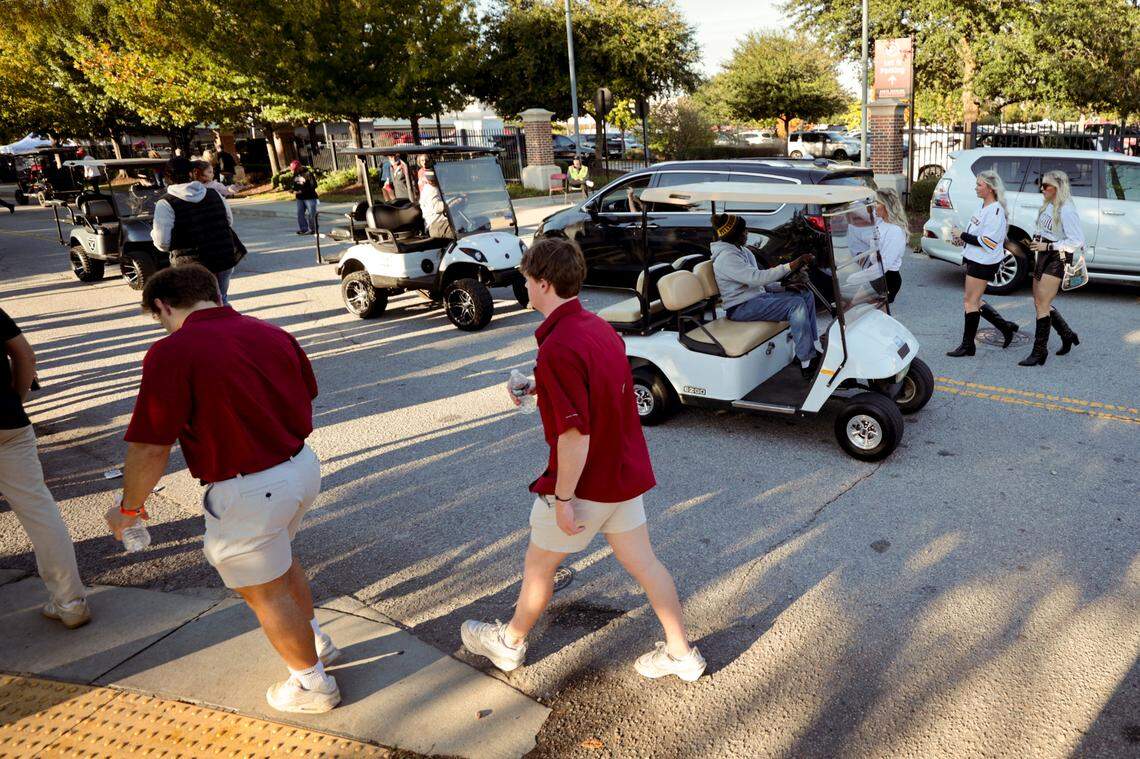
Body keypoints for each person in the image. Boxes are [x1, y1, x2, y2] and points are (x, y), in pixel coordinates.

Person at [460, 238, 706, 683]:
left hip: (584, 485)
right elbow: (597, 389)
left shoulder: (556, 347)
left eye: (528, 281)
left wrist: (563, 496)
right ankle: (680, 653)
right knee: (647, 566)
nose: (525, 287)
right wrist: (540, 385)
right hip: (623, 475)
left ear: (544, 284)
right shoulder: (600, 328)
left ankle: (509, 643)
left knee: (539, 566)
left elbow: (575, 435)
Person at [106, 265, 339, 713]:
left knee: (263, 589)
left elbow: (151, 447)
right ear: (213, 291)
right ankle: (315, 643)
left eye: (159, 318)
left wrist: (130, 508)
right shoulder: (271, 332)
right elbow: (305, 393)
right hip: (300, 467)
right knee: (280, 562)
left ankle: (311, 683)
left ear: (162, 305)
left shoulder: (172, 352)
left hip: (249, 487)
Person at [0, 307, 89, 628]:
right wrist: (16, 400)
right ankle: (71, 601)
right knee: (39, 510)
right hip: (8, 422)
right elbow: (25, 356)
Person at [709, 214, 819, 378]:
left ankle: (811, 347)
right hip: (740, 308)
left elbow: (760, 284)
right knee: (795, 305)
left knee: (805, 294)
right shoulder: (726, 258)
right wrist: (791, 265)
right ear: (735, 234)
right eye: (744, 231)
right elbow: (757, 278)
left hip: (757, 300)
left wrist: (784, 286)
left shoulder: (744, 252)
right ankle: (807, 363)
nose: (747, 233)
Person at [946, 170, 1019, 357]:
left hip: (984, 262)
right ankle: (1005, 328)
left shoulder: (995, 211)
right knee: (975, 300)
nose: (976, 188)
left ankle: (968, 345)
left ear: (990, 188)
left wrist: (962, 235)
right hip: (976, 259)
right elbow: (977, 235)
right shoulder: (983, 207)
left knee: (970, 302)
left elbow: (990, 241)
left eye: (979, 185)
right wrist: (962, 240)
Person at [151, 159, 240, 304]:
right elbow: (228, 221)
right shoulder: (214, 194)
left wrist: (152, 234)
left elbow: (163, 242)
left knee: (197, 306)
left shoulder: (166, 202)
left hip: (190, 266)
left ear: (167, 177)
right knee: (220, 300)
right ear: (192, 173)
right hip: (223, 257)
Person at [1019, 170, 1084, 365]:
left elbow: (1077, 241)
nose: (1042, 188)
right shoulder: (1049, 205)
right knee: (1039, 302)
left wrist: (1048, 246)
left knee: (1042, 304)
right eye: (1042, 184)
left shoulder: (1067, 209)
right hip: (1042, 255)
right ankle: (1067, 334)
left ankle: (1039, 352)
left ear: (1058, 188)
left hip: (1056, 258)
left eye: (1046, 186)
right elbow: (1046, 230)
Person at [874, 188, 908, 303]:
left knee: (875, 315)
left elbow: (885, 263)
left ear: (886, 206)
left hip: (887, 279)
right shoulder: (880, 222)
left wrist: (861, 276)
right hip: (876, 274)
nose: (874, 205)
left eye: (877, 202)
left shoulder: (895, 231)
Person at [419, 170, 455, 238]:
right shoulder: (432, 190)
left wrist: (455, 199)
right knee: (458, 231)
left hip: (440, 223)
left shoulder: (434, 189)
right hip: (436, 224)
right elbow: (437, 208)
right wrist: (454, 201)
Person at [290, 160, 319, 235]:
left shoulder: (308, 173)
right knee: (300, 214)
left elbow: (314, 185)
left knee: (311, 214)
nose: (293, 171)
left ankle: (312, 229)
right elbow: (295, 185)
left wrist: (302, 191)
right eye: (292, 169)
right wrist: (292, 189)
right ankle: (303, 229)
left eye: (294, 169)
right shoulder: (295, 174)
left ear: (299, 167)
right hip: (300, 198)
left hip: (310, 197)